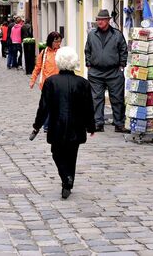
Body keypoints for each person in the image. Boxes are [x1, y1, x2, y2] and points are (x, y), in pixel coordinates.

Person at [31, 46, 95, 199]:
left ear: (59, 62)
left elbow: (44, 106)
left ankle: (66, 178)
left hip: (57, 125)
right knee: (72, 155)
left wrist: (37, 125)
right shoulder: (83, 83)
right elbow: (88, 107)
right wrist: (91, 126)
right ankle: (68, 181)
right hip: (76, 125)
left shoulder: (51, 82)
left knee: (57, 152)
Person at [85, 9, 129, 133]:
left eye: (102, 19)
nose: (99, 21)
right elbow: (87, 50)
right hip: (96, 72)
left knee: (117, 98)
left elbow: (123, 50)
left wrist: (122, 64)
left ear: (108, 20)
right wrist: (88, 64)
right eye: (98, 19)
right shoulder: (92, 34)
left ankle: (119, 123)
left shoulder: (117, 34)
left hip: (114, 71)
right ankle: (98, 123)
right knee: (96, 98)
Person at [30, 31, 63, 132]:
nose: (58, 44)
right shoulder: (44, 53)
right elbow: (37, 68)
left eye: (60, 41)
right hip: (47, 84)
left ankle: (57, 124)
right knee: (47, 105)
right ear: (50, 41)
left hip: (59, 83)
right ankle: (47, 126)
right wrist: (33, 80)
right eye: (56, 41)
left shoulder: (62, 52)